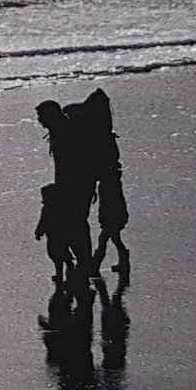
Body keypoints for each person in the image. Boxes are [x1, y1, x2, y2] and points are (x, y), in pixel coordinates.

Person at [35, 100, 96, 277]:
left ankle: (84, 263)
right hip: (72, 186)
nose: (39, 121)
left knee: (76, 224)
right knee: (74, 224)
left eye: (41, 116)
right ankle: (84, 262)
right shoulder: (59, 131)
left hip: (75, 187)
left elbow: (77, 163)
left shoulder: (65, 133)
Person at [84, 88, 130, 274]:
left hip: (108, 189)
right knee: (111, 231)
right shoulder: (108, 139)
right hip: (111, 187)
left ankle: (98, 261)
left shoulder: (102, 141)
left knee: (108, 231)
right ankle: (119, 258)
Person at [34, 182, 75, 282]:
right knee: (61, 253)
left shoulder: (47, 209)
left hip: (53, 236)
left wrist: (38, 232)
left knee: (55, 255)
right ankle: (66, 272)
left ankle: (61, 273)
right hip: (62, 235)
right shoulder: (61, 209)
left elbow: (43, 221)